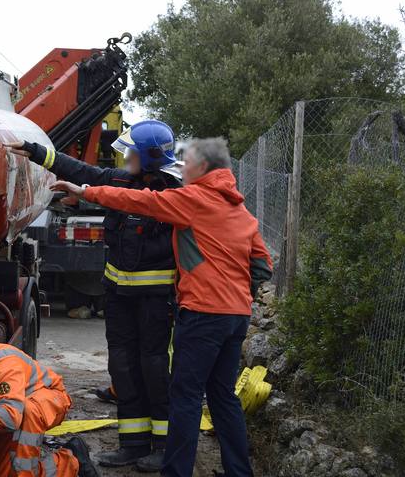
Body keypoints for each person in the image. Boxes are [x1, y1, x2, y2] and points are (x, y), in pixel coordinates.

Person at [50, 137, 274, 477]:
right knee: (223, 397)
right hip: (236, 317)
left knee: (185, 397)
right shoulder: (240, 211)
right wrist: (239, 291)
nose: (182, 167)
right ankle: (238, 472)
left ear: (205, 168)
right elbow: (262, 264)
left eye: (189, 162)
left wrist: (85, 192)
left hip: (202, 314)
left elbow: (139, 200)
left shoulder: (193, 199)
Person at [6, 120, 181, 471]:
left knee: (154, 369)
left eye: (133, 153)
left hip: (155, 302)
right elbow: (81, 170)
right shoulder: (121, 180)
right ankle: (132, 444)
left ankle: (164, 446)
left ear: (149, 157)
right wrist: (37, 152)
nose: (126, 158)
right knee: (122, 367)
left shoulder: (173, 193)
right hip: (119, 298)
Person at [0, 343, 99, 477]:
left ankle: (70, 462)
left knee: (22, 466)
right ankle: (69, 458)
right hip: (16, 410)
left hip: (51, 399)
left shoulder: (8, 370)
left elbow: (10, 418)